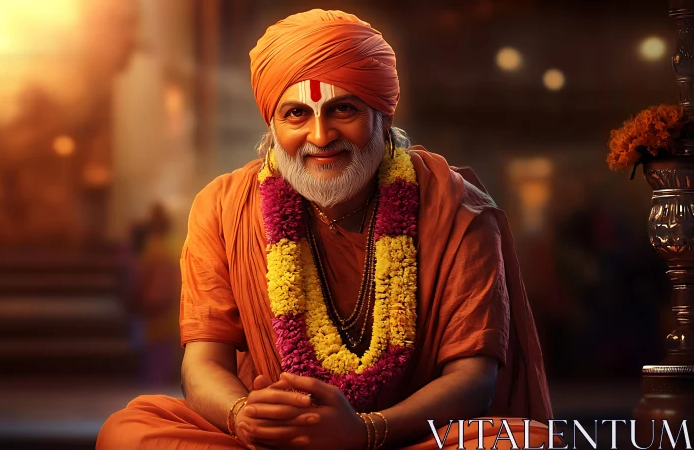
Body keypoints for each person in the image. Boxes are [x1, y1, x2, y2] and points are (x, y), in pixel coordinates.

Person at [98, 9, 556, 450]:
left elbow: (473, 374)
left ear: (384, 117)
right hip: (275, 437)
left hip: (405, 435)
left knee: (529, 444)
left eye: (343, 110)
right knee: (130, 432)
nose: (320, 136)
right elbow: (202, 360)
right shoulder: (223, 207)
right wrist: (243, 415)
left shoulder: (455, 208)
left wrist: (365, 432)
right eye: (297, 114)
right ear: (273, 126)